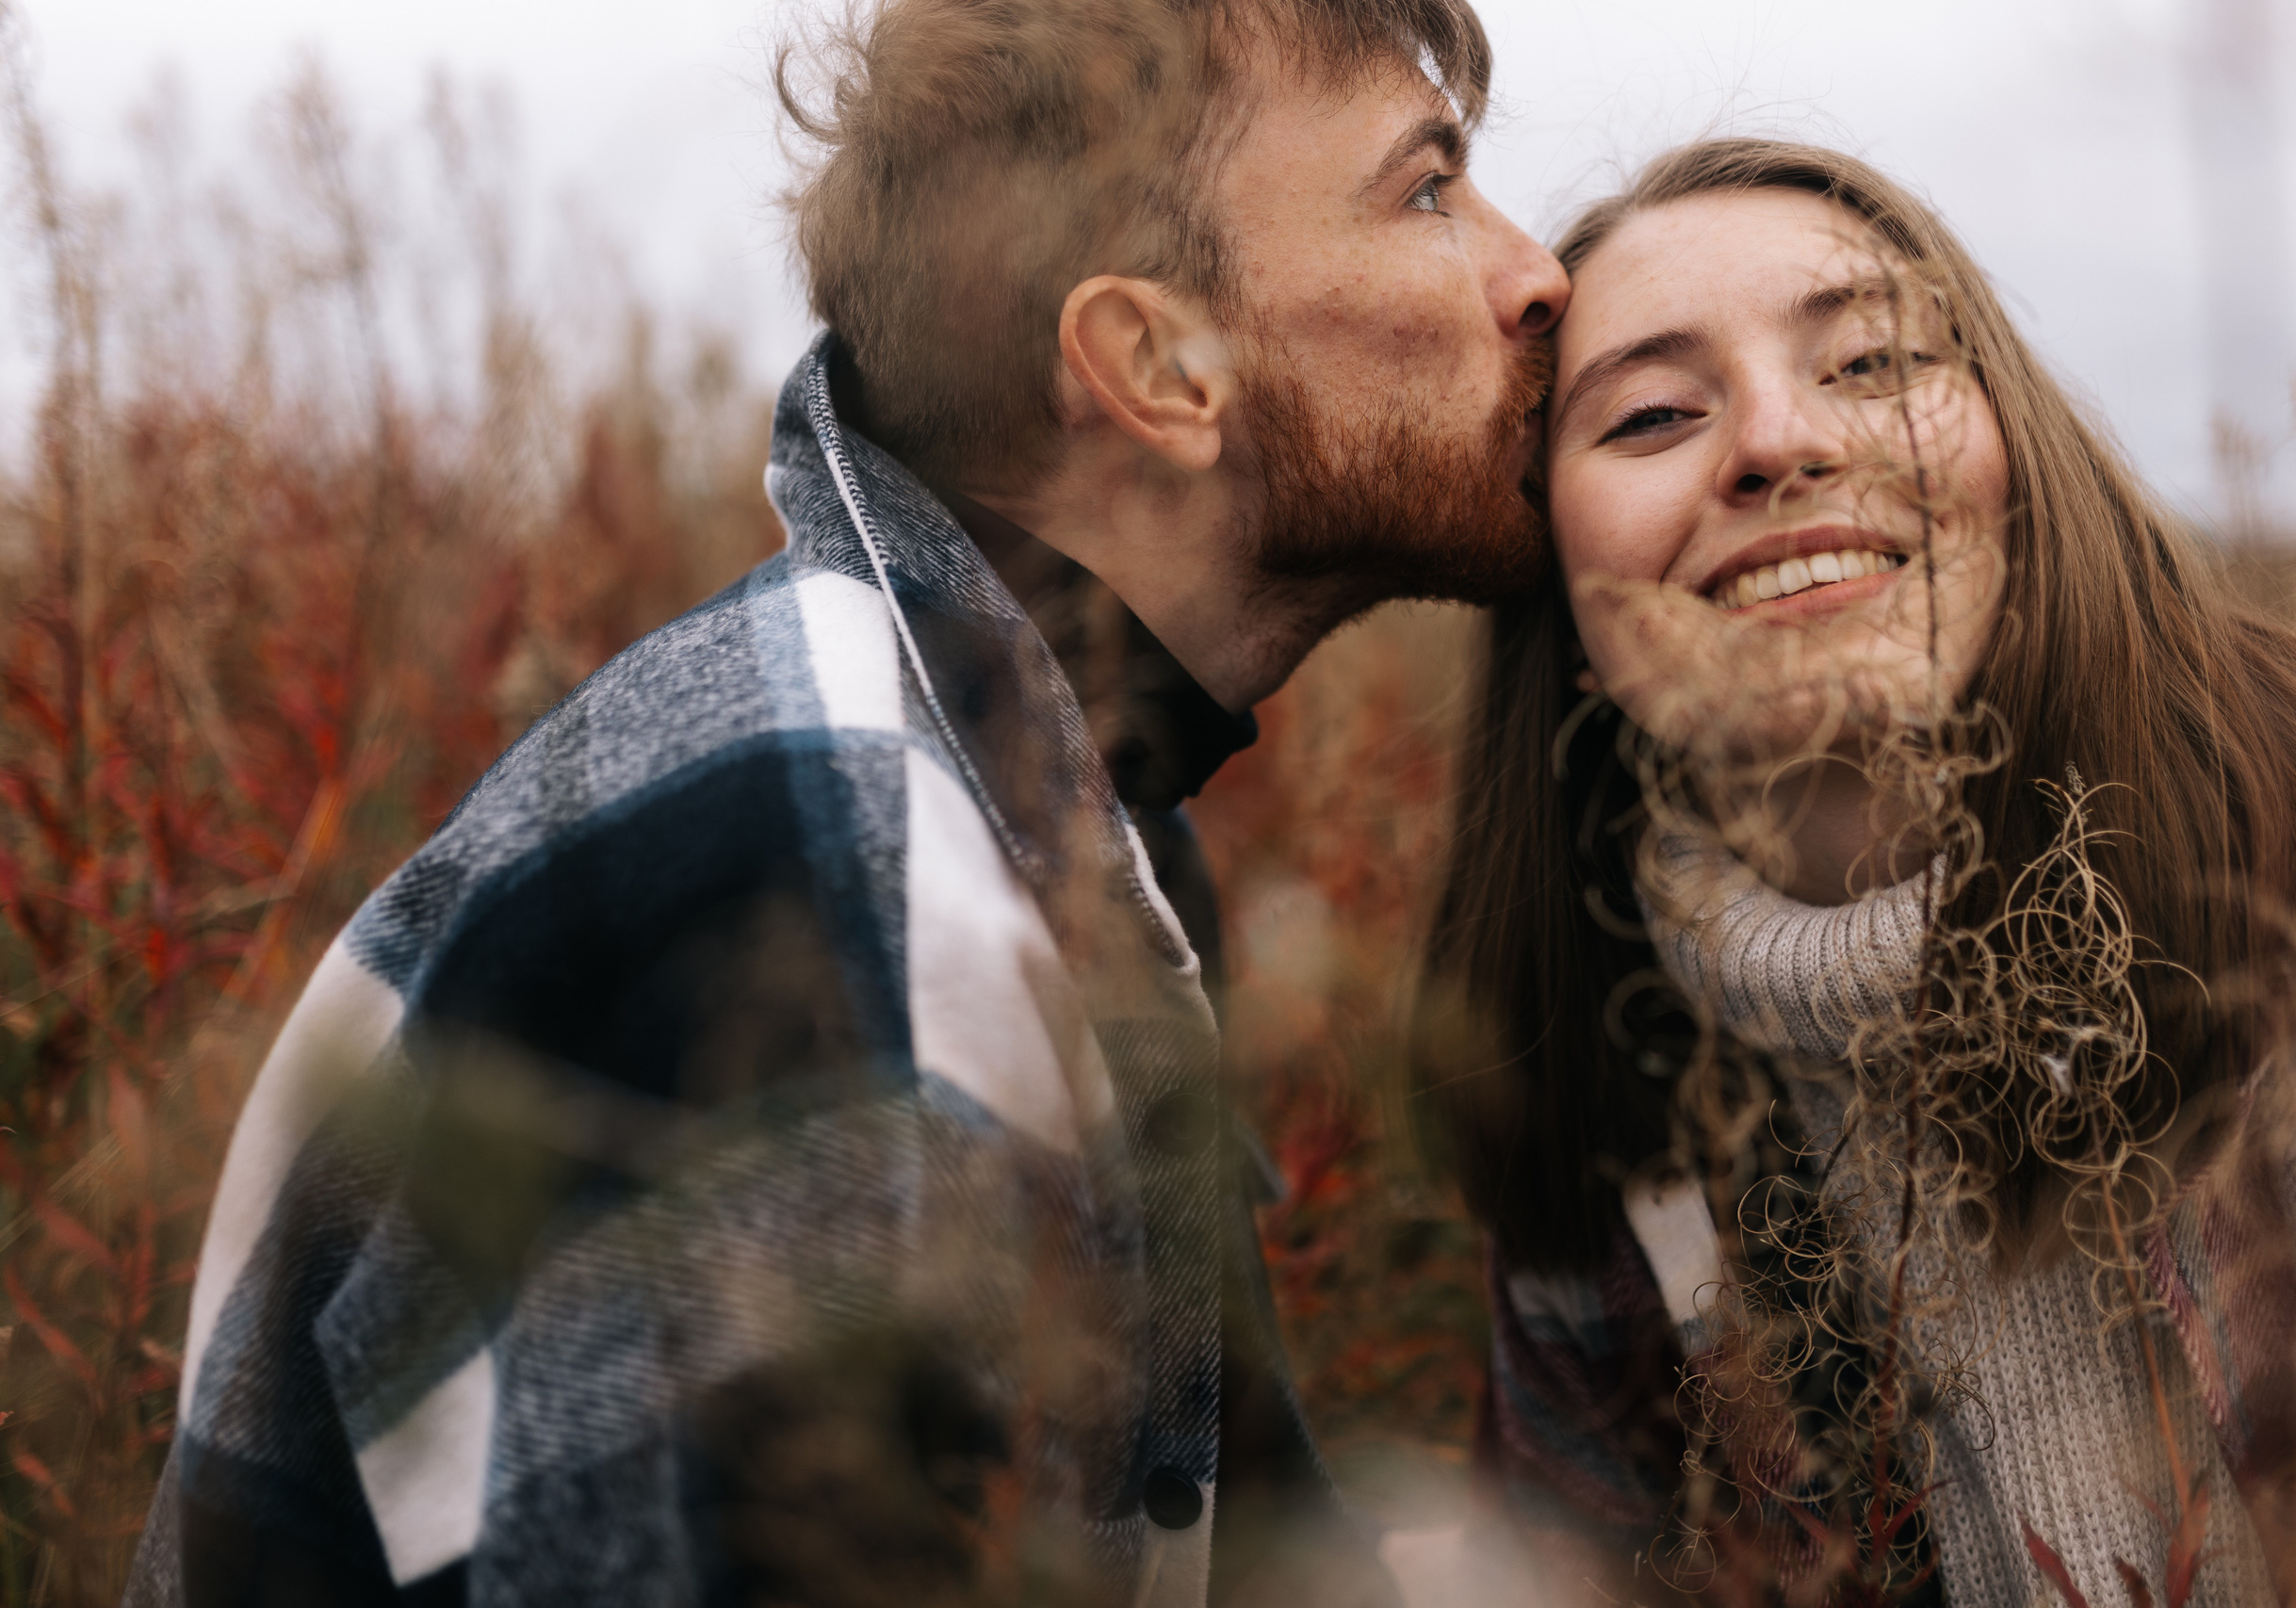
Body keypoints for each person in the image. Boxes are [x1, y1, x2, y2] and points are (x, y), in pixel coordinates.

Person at [128, 0, 1568, 1602]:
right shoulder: (819, 867)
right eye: (1428, 188)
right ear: (1157, 367)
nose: (1539, 273)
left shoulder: (1081, 825)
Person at [1412, 138, 2296, 1608]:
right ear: (1562, 594)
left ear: (2019, 463)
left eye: (1871, 362)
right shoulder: (1591, 1094)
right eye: (1654, 414)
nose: (1776, 442)